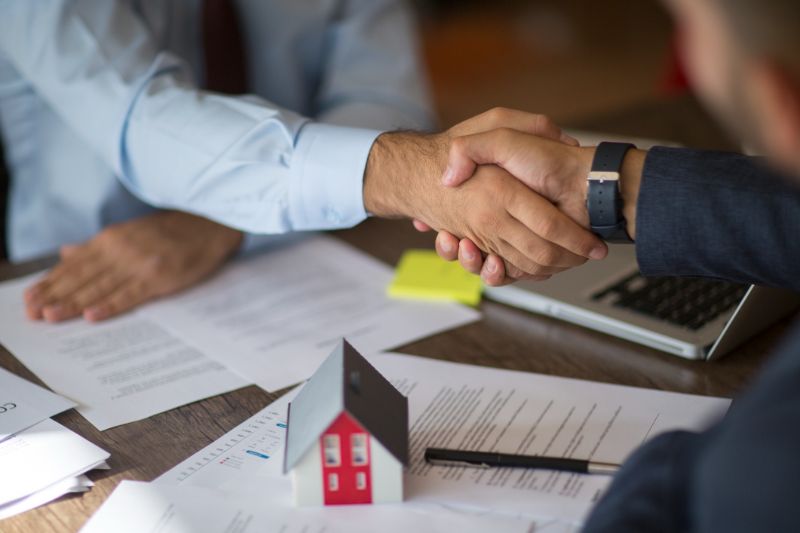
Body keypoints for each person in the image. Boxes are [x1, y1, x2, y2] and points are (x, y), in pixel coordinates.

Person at [422, 0, 800, 530]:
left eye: (687, 24)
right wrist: (597, 185)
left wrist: (666, 466)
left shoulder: (765, 471)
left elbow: (718, 491)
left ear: (779, 102)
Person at [0, 0, 604, 324]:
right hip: (84, 280)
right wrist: (408, 175)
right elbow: (143, 120)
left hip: (300, 259)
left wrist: (222, 224)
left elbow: (383, 96)